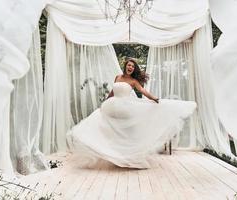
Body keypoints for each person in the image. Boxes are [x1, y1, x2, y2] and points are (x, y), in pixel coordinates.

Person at [68, 58, 197, 168]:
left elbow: (143, 91)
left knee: (125, 131)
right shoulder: (117, 77)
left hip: (124, 107)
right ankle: (113, 153)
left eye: (133, 66)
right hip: (112, 105)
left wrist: (154, 98)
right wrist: (105, 103)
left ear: (134, 69)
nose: (130, 67)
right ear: (125, 66)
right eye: (129, 65)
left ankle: (129, 156)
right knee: (100, 122)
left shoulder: (133, 81)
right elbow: (112, 92)